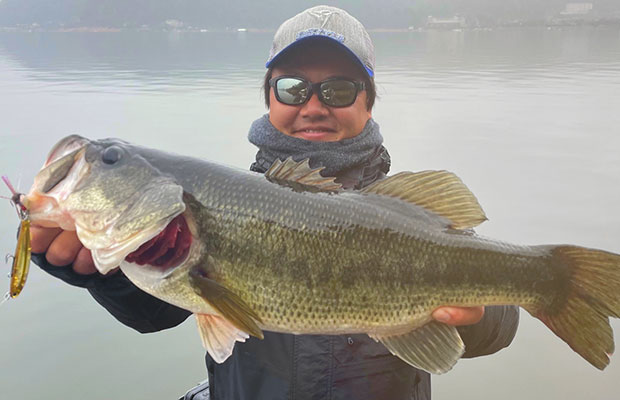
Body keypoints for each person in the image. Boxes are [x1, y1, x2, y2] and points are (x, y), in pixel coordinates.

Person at [30, 6, 519, 400]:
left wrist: (479, 315)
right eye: (292, 87)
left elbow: (500, 326)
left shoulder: (409, 216)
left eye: (339, 89)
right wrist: (103, 273)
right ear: (269, 97)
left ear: (369, 101)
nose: (313, 105)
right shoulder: (222, 204)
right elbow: (157, 314)